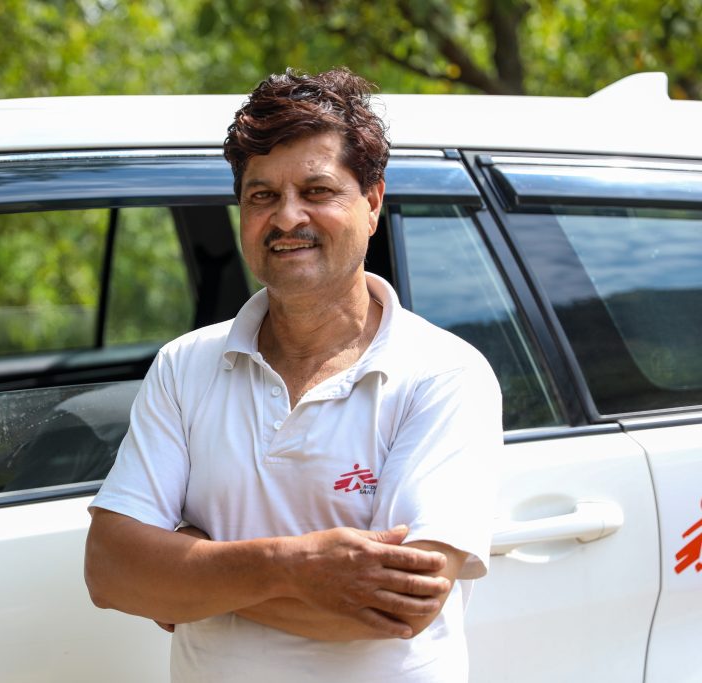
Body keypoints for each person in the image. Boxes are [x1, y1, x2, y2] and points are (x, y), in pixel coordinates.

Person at [84, 67, 502, 683]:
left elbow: (400, 605)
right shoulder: (185, 365)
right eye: (262, 196)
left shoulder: (442, 373)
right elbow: (110, 571)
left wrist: (193, 570)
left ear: (373, 203)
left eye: (317, 190)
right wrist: (294, 566)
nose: (286, 218)